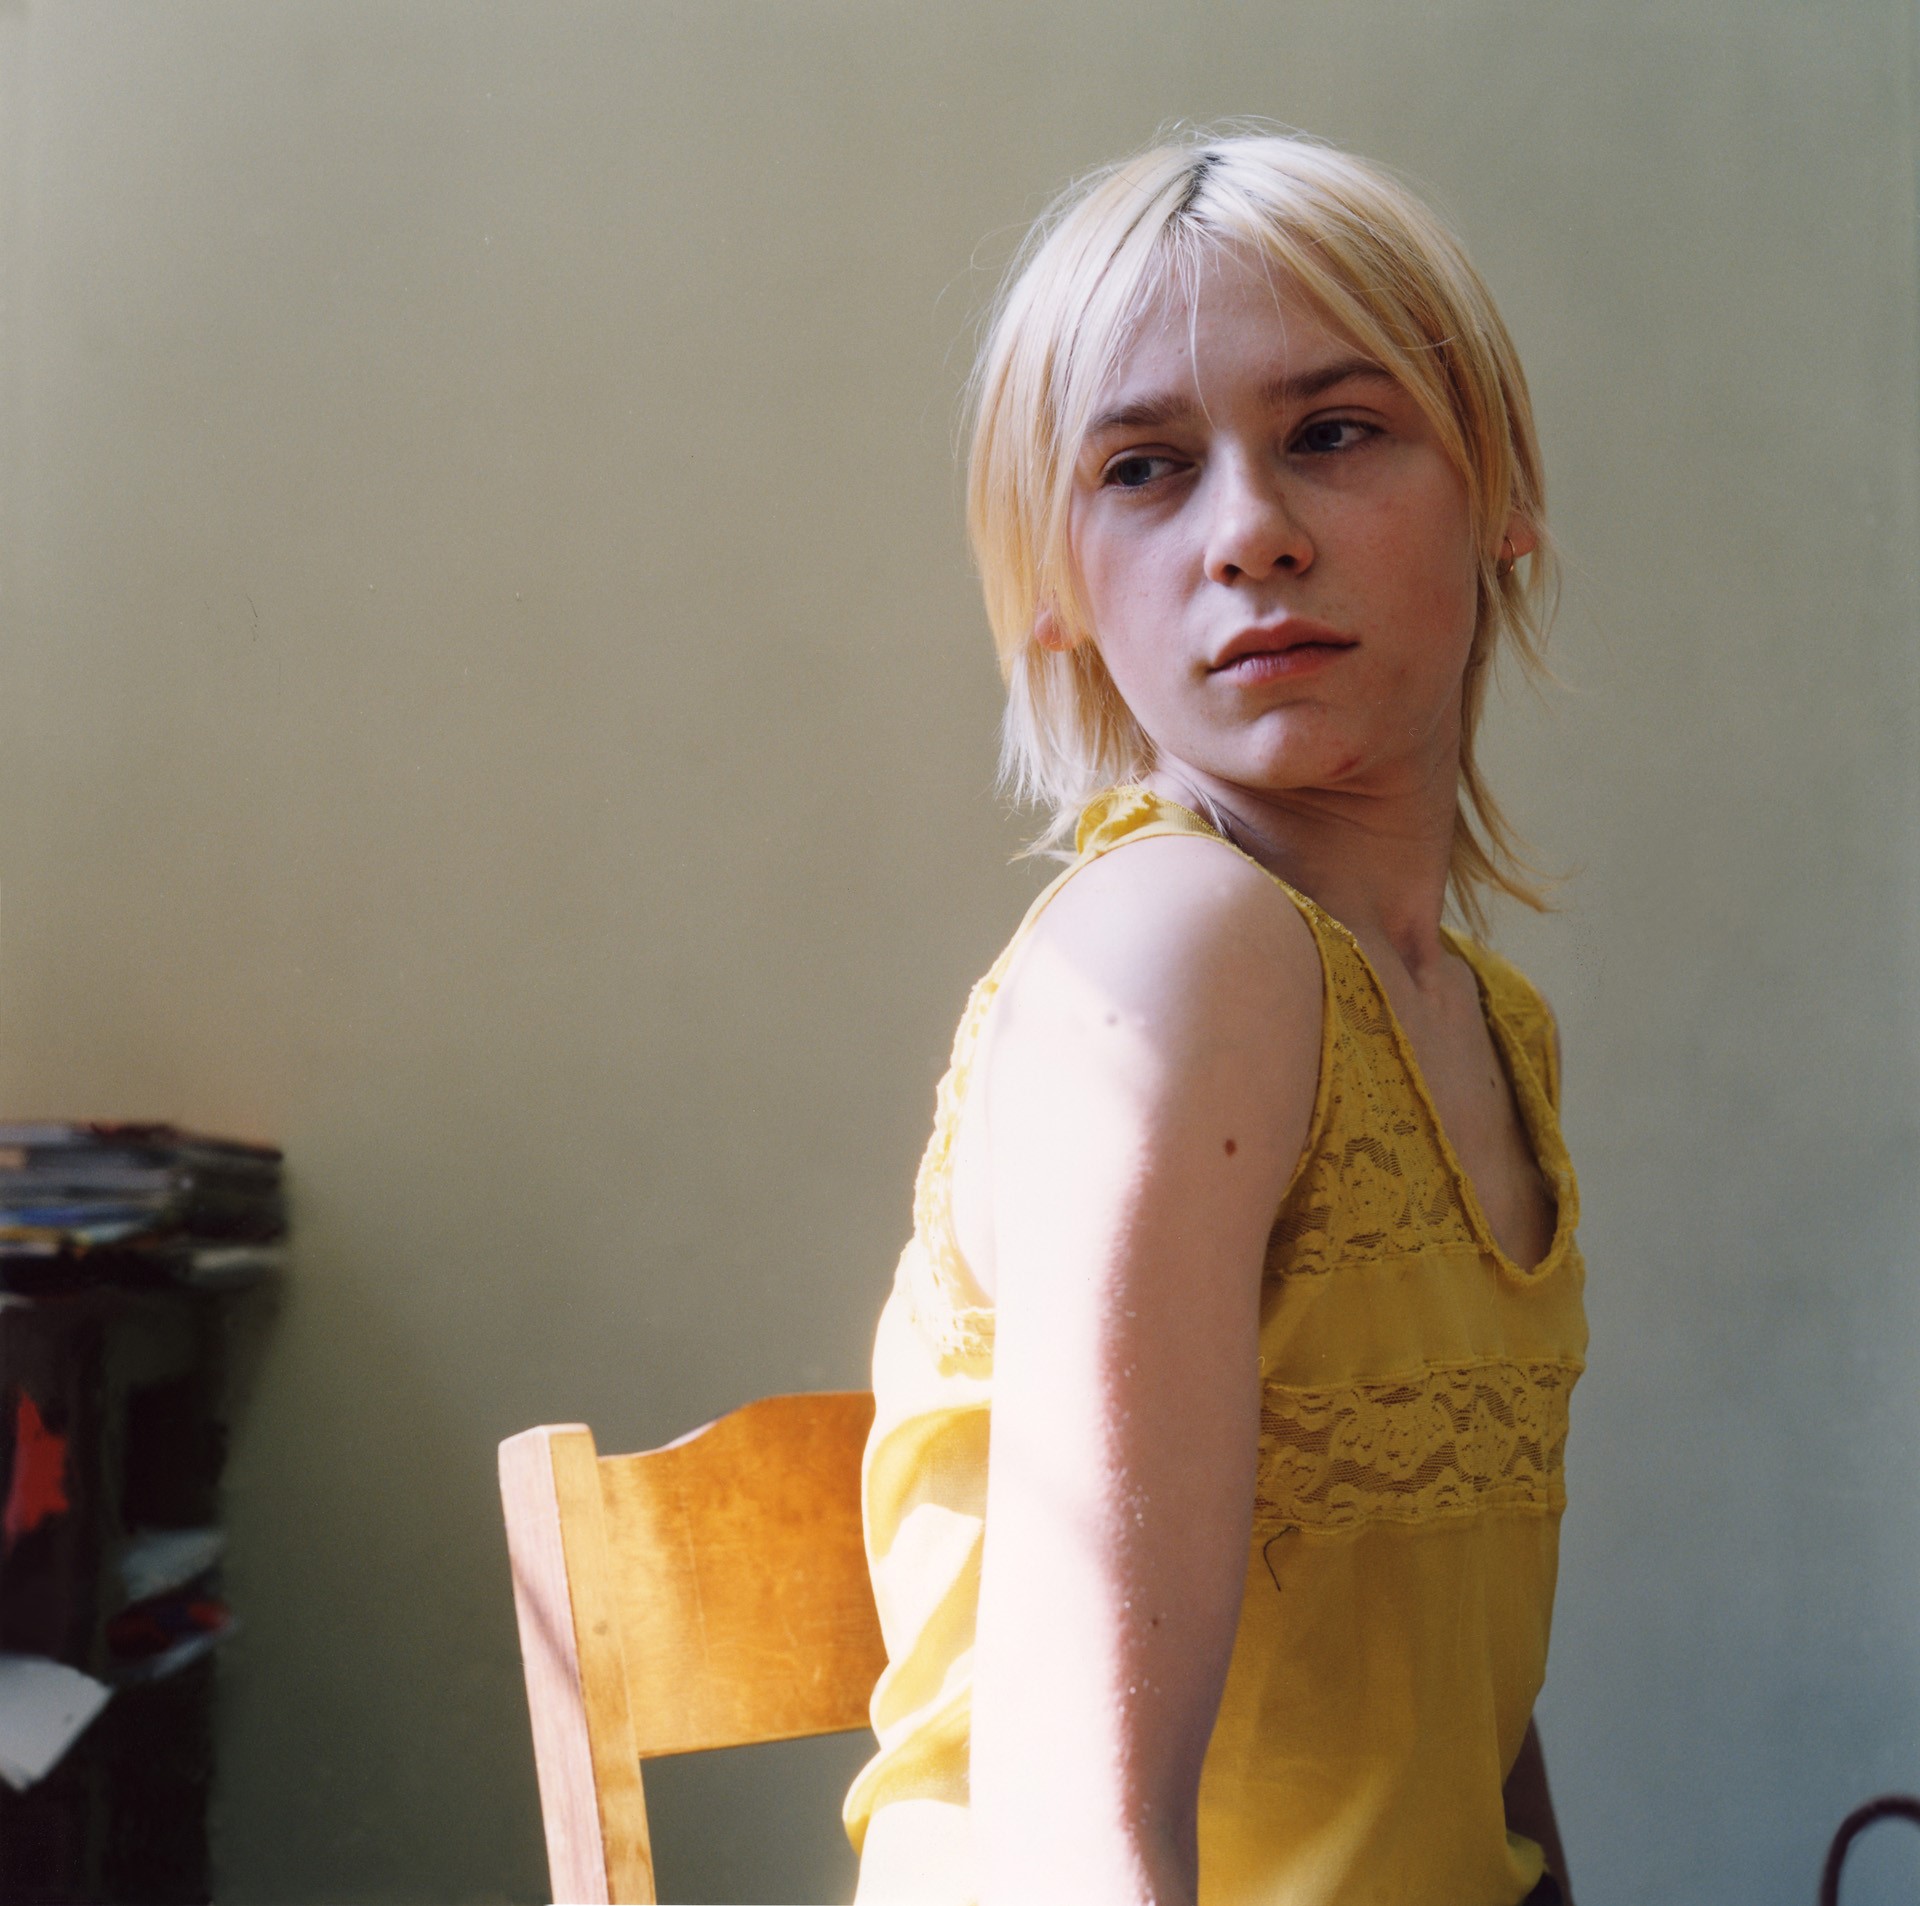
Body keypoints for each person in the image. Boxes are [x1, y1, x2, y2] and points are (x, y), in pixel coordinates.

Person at [842, 129, 1587, 1906]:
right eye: (1145, 468)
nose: (1249, 532)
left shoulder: (1494, 1025)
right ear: (1054, 585)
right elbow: (1076, 1839)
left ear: (1500, 493)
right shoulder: (1178, 949)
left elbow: (1460, 1749)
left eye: (1333, 432)